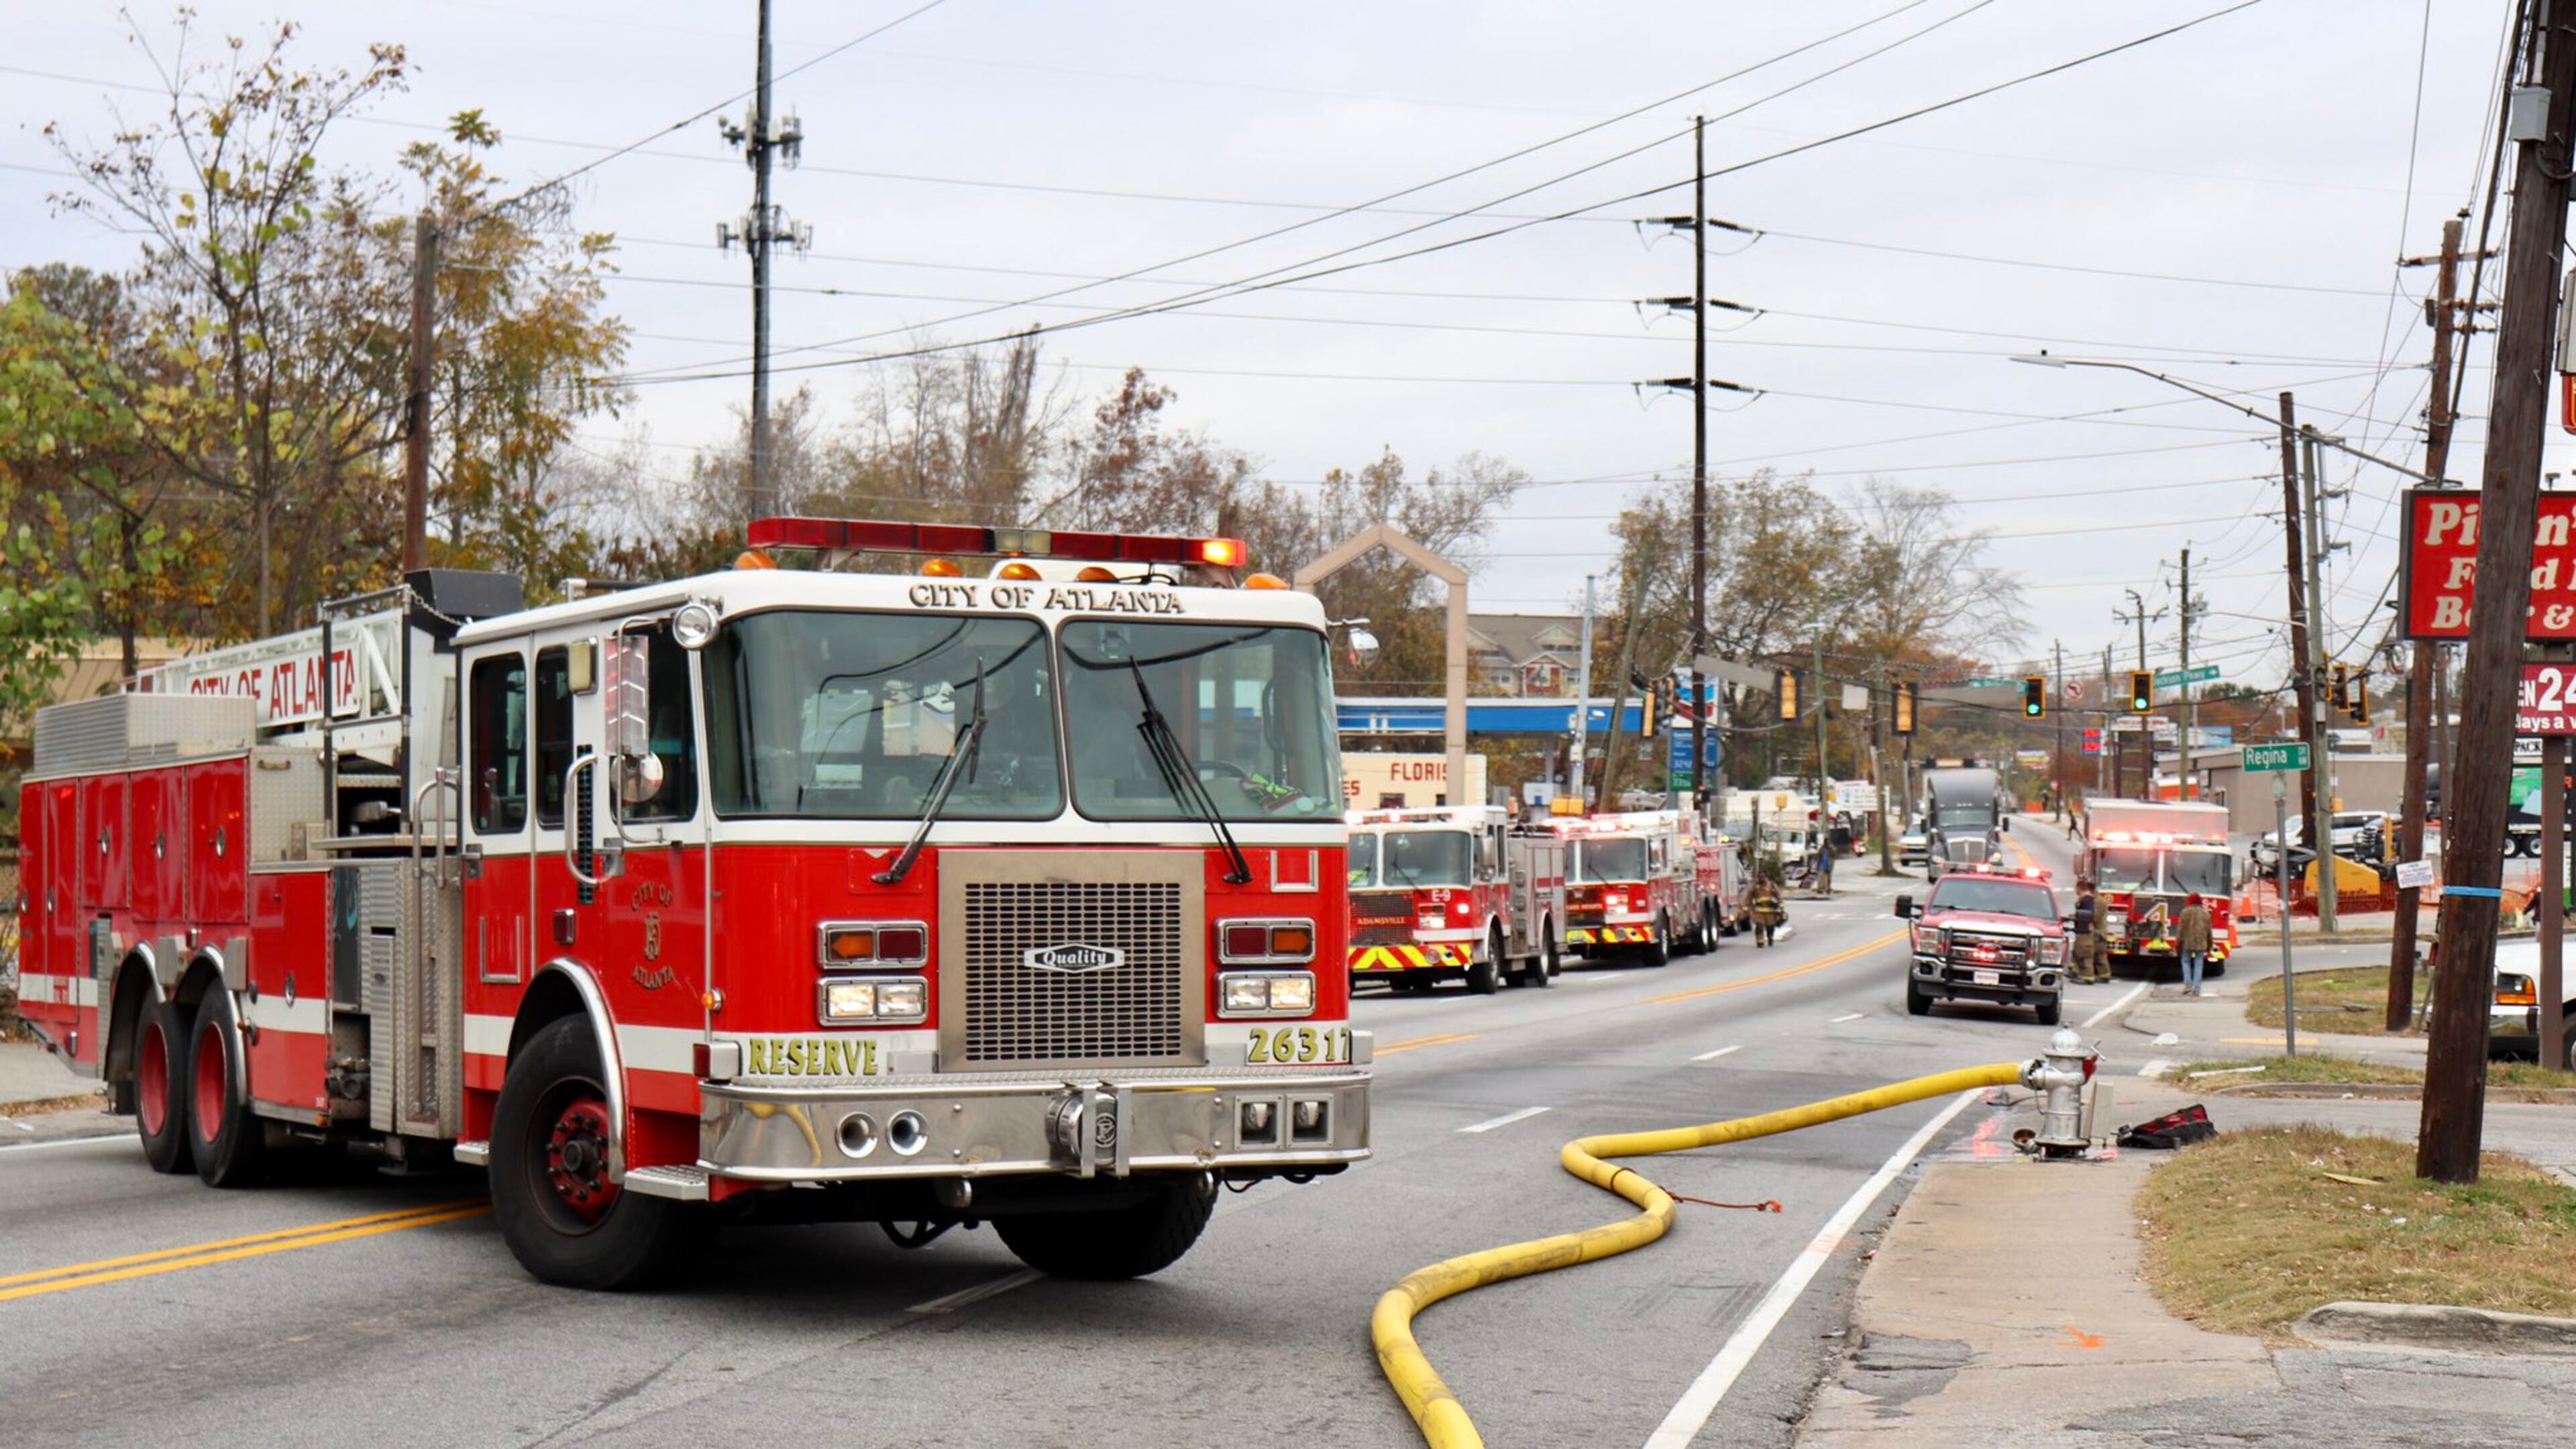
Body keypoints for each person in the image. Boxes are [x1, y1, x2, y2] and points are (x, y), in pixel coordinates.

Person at [2177, 893, 2213, 996]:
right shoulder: (2206, 914)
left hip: (2187, 943)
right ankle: (2197, 988)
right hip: (2201, 943)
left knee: (2186, 962)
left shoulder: (2185, 912)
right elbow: (2209, 931)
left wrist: (2178, 942)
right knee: (2199, 964)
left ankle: (2188, 985)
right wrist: (2210, 944)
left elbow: (2180, 929)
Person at [2070, 877, 2102, 984]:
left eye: (2076, 889)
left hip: (2085, 932)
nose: (2076, 891)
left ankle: (2088, 977)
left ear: (2080, 888)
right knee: (2079, 953)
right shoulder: (2085, 900)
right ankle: (2080, 973)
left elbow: (2088, 915)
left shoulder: (2087, 900)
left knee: (2085, 953)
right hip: (2082, 931)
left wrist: (2078, 917)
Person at [1748, 877, 1785, 947]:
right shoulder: (1755, 887)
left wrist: (1781, 906)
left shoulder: (1772, 886)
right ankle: (1760, 942)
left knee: (1770, 926)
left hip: (1770, 911)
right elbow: (1749, 896)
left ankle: (1770, 937)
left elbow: (1778, 896)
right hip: (1759, 910)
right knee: (1759, 926)